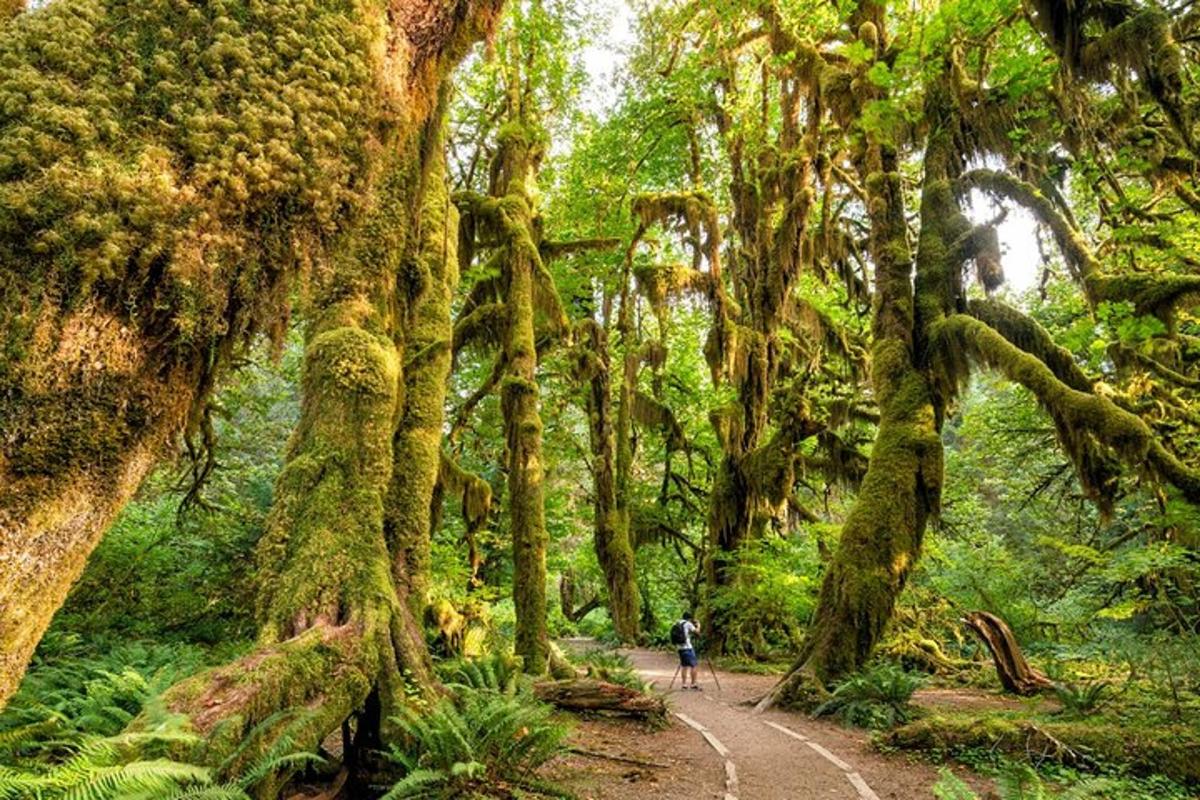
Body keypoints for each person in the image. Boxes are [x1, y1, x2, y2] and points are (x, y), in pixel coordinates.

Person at [674, 611, 702, 690]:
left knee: (684, 666)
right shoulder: (688, 624)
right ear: (689, 618)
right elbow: (697, 632)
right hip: (688, 648)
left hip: (680, 648)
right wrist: (698, 625)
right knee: (694, 665)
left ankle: (684, 684)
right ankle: (693, 684)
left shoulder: (678, 623)